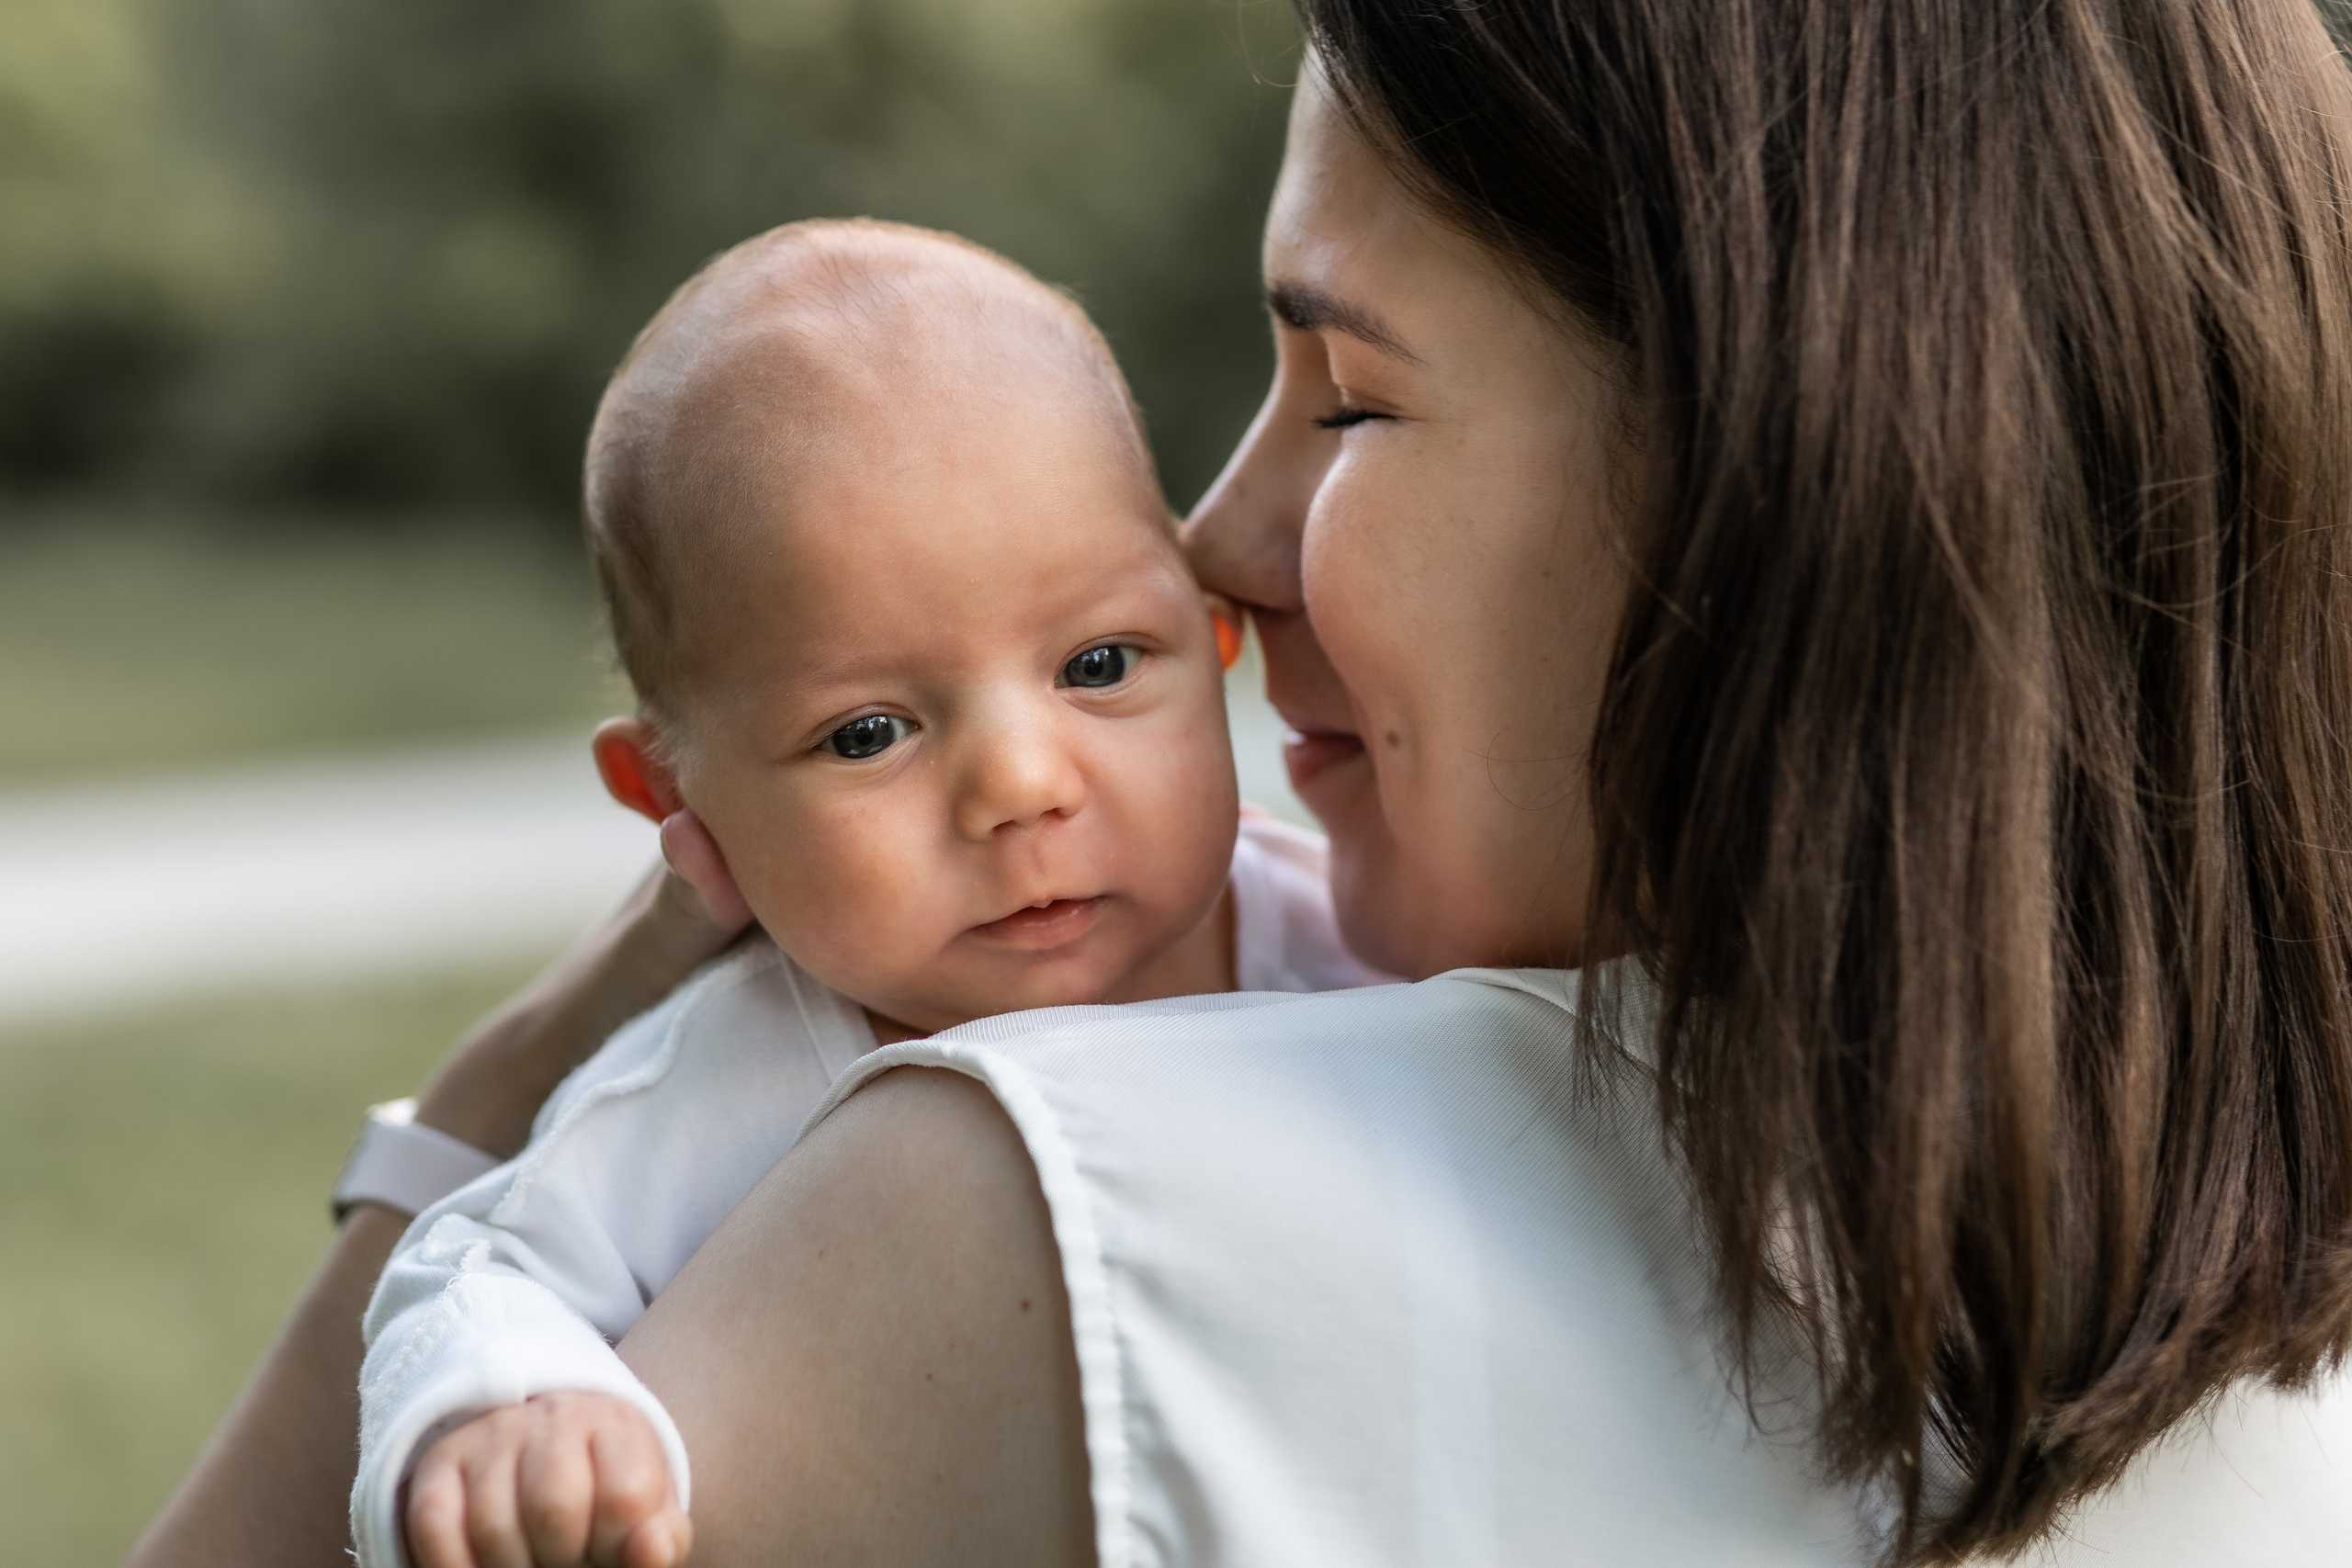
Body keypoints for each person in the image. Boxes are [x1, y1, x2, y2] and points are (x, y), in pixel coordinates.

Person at [130, 1, 2352, 1564]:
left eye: (1348, 398)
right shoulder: (2245, 1295)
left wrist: (494, 1105)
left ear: (1788, 477)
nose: (1208, 545)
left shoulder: (1021, 1202)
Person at [347, 218, 1387, 1568]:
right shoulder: (744, 1071)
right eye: (867, 734)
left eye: (1099, 665)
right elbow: (476, 1269)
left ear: (1214, 636)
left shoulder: (1348, 944)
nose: (1020, 785)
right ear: (674, 799)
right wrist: (517, 1412)